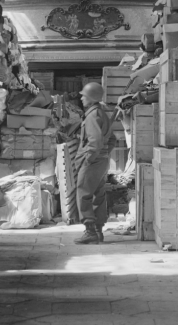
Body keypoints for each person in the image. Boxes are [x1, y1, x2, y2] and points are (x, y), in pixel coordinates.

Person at [74, 81, 114, 245]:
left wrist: (89, 159)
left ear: (91, 98)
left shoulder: (92, 116)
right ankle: (98, 231)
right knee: (99, 194)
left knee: (83, 193)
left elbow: (95, 141)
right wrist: (104, 154)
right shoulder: (101, 114)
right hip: (101, 161)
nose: (81, 98)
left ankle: (90, 231)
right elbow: (112, 139)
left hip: (92, 161)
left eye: (84, 96)